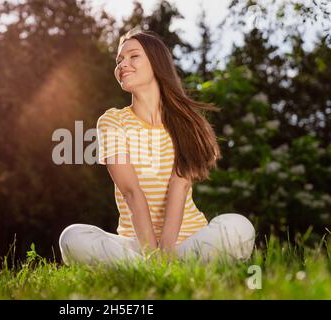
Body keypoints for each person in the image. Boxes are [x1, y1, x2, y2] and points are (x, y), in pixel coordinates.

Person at [59, 28, 255, 267]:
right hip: (138, 245)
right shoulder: (112, 121)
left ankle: (160, 269)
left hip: (188, 241)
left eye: (133, 56)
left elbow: (179, 187)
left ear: (156, 63)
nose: (123, 64)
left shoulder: (186, 123)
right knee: (72, 237)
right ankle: (159, 270)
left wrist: (167, 252)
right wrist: (153, 257)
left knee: (239, 226)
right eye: (119, 60)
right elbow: (131, 192)